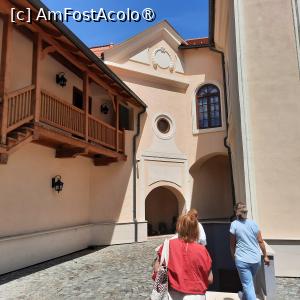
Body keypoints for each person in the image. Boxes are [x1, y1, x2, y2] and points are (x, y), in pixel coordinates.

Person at [153, 213, 213, 299]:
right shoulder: (202, 250)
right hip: (196, 295)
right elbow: (210, 279)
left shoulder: (167, 245)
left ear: (178, 227)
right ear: (196, 230)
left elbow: (157, 270)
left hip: (172, 295)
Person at [230, 203, 270, 300]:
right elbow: (260, 241)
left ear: (236, 212)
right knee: (248, 282)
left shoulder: (234, 224)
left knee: (247, 284)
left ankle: (247, 296)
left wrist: (233, 256)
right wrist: (265, 256)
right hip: (256, 260)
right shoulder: (254, 224)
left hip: (242, 260)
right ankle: (244, 296)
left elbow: (232, 244)